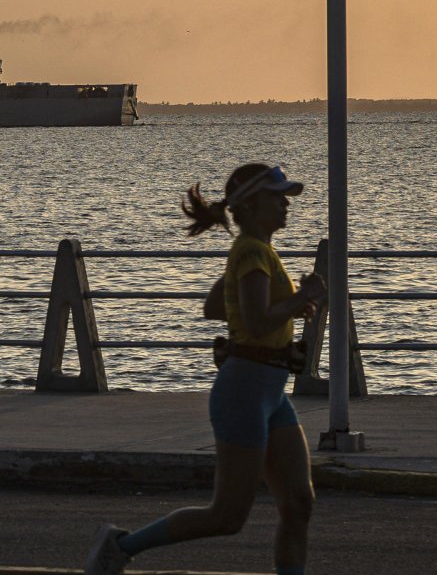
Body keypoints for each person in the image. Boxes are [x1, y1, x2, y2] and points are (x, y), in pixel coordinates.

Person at [84, 163, 326, 575]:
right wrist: (302, 296)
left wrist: (280, 319)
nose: (286, 203)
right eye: (277, 195)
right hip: (244, 394)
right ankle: (120, 546)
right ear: (249, 205)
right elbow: (254, 321)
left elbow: (218, 306)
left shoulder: (258, 251)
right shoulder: (251, 251)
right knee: (227, 517)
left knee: (298, 503)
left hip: (269, 392)